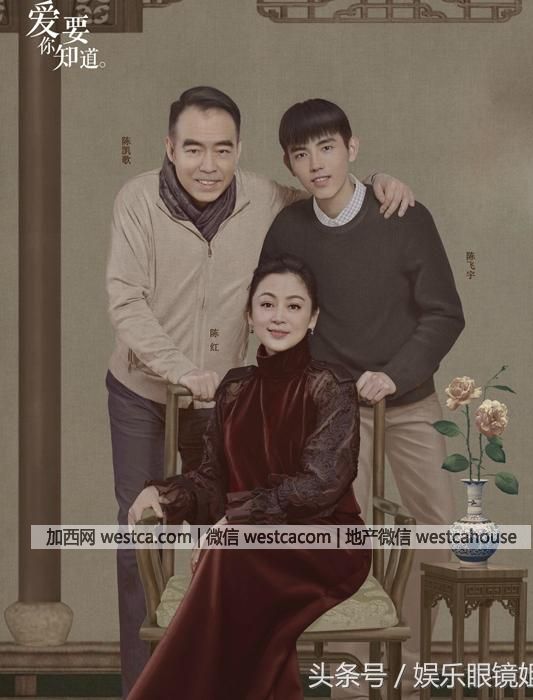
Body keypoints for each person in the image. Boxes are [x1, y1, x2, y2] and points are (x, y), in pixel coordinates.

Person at [105, 85, 414, 697]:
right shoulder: (136, 199)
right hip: (145, 386)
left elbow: (327, 191)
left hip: (222, 388)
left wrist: (376, 180)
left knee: (225, 536)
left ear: (240, 150)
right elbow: (126, 301)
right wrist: (180, 373)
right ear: (170, 147)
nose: (209, 165)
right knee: (139, 536)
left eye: (223, 150)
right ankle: (143, 684)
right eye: (193, 149)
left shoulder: (266, 197)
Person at [259, 98, 466, 698]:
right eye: (301, 154)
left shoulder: (403, 214)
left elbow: (445, 313)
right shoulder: (289, 229)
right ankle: (352, 684)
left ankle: (411, 676)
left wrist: (395, 375)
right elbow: (278, 316)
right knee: (343, 538)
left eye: (327, 148)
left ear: (352, 147)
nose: (316, 164)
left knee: (437, 536)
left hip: (409, 400)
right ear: (289, 165)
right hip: (334, 411)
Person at [126, 256, 371, 700]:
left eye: (294, 306)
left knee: (228, 556)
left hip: (324, 543)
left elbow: (320, 485)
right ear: (249, 314)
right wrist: (164, 494)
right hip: (247, 546)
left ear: (313, 318)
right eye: (267, 304)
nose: (279, 316)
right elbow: (212, 479)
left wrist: (239, 519)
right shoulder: (235, 389)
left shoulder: (331, 386)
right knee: (232, 557)